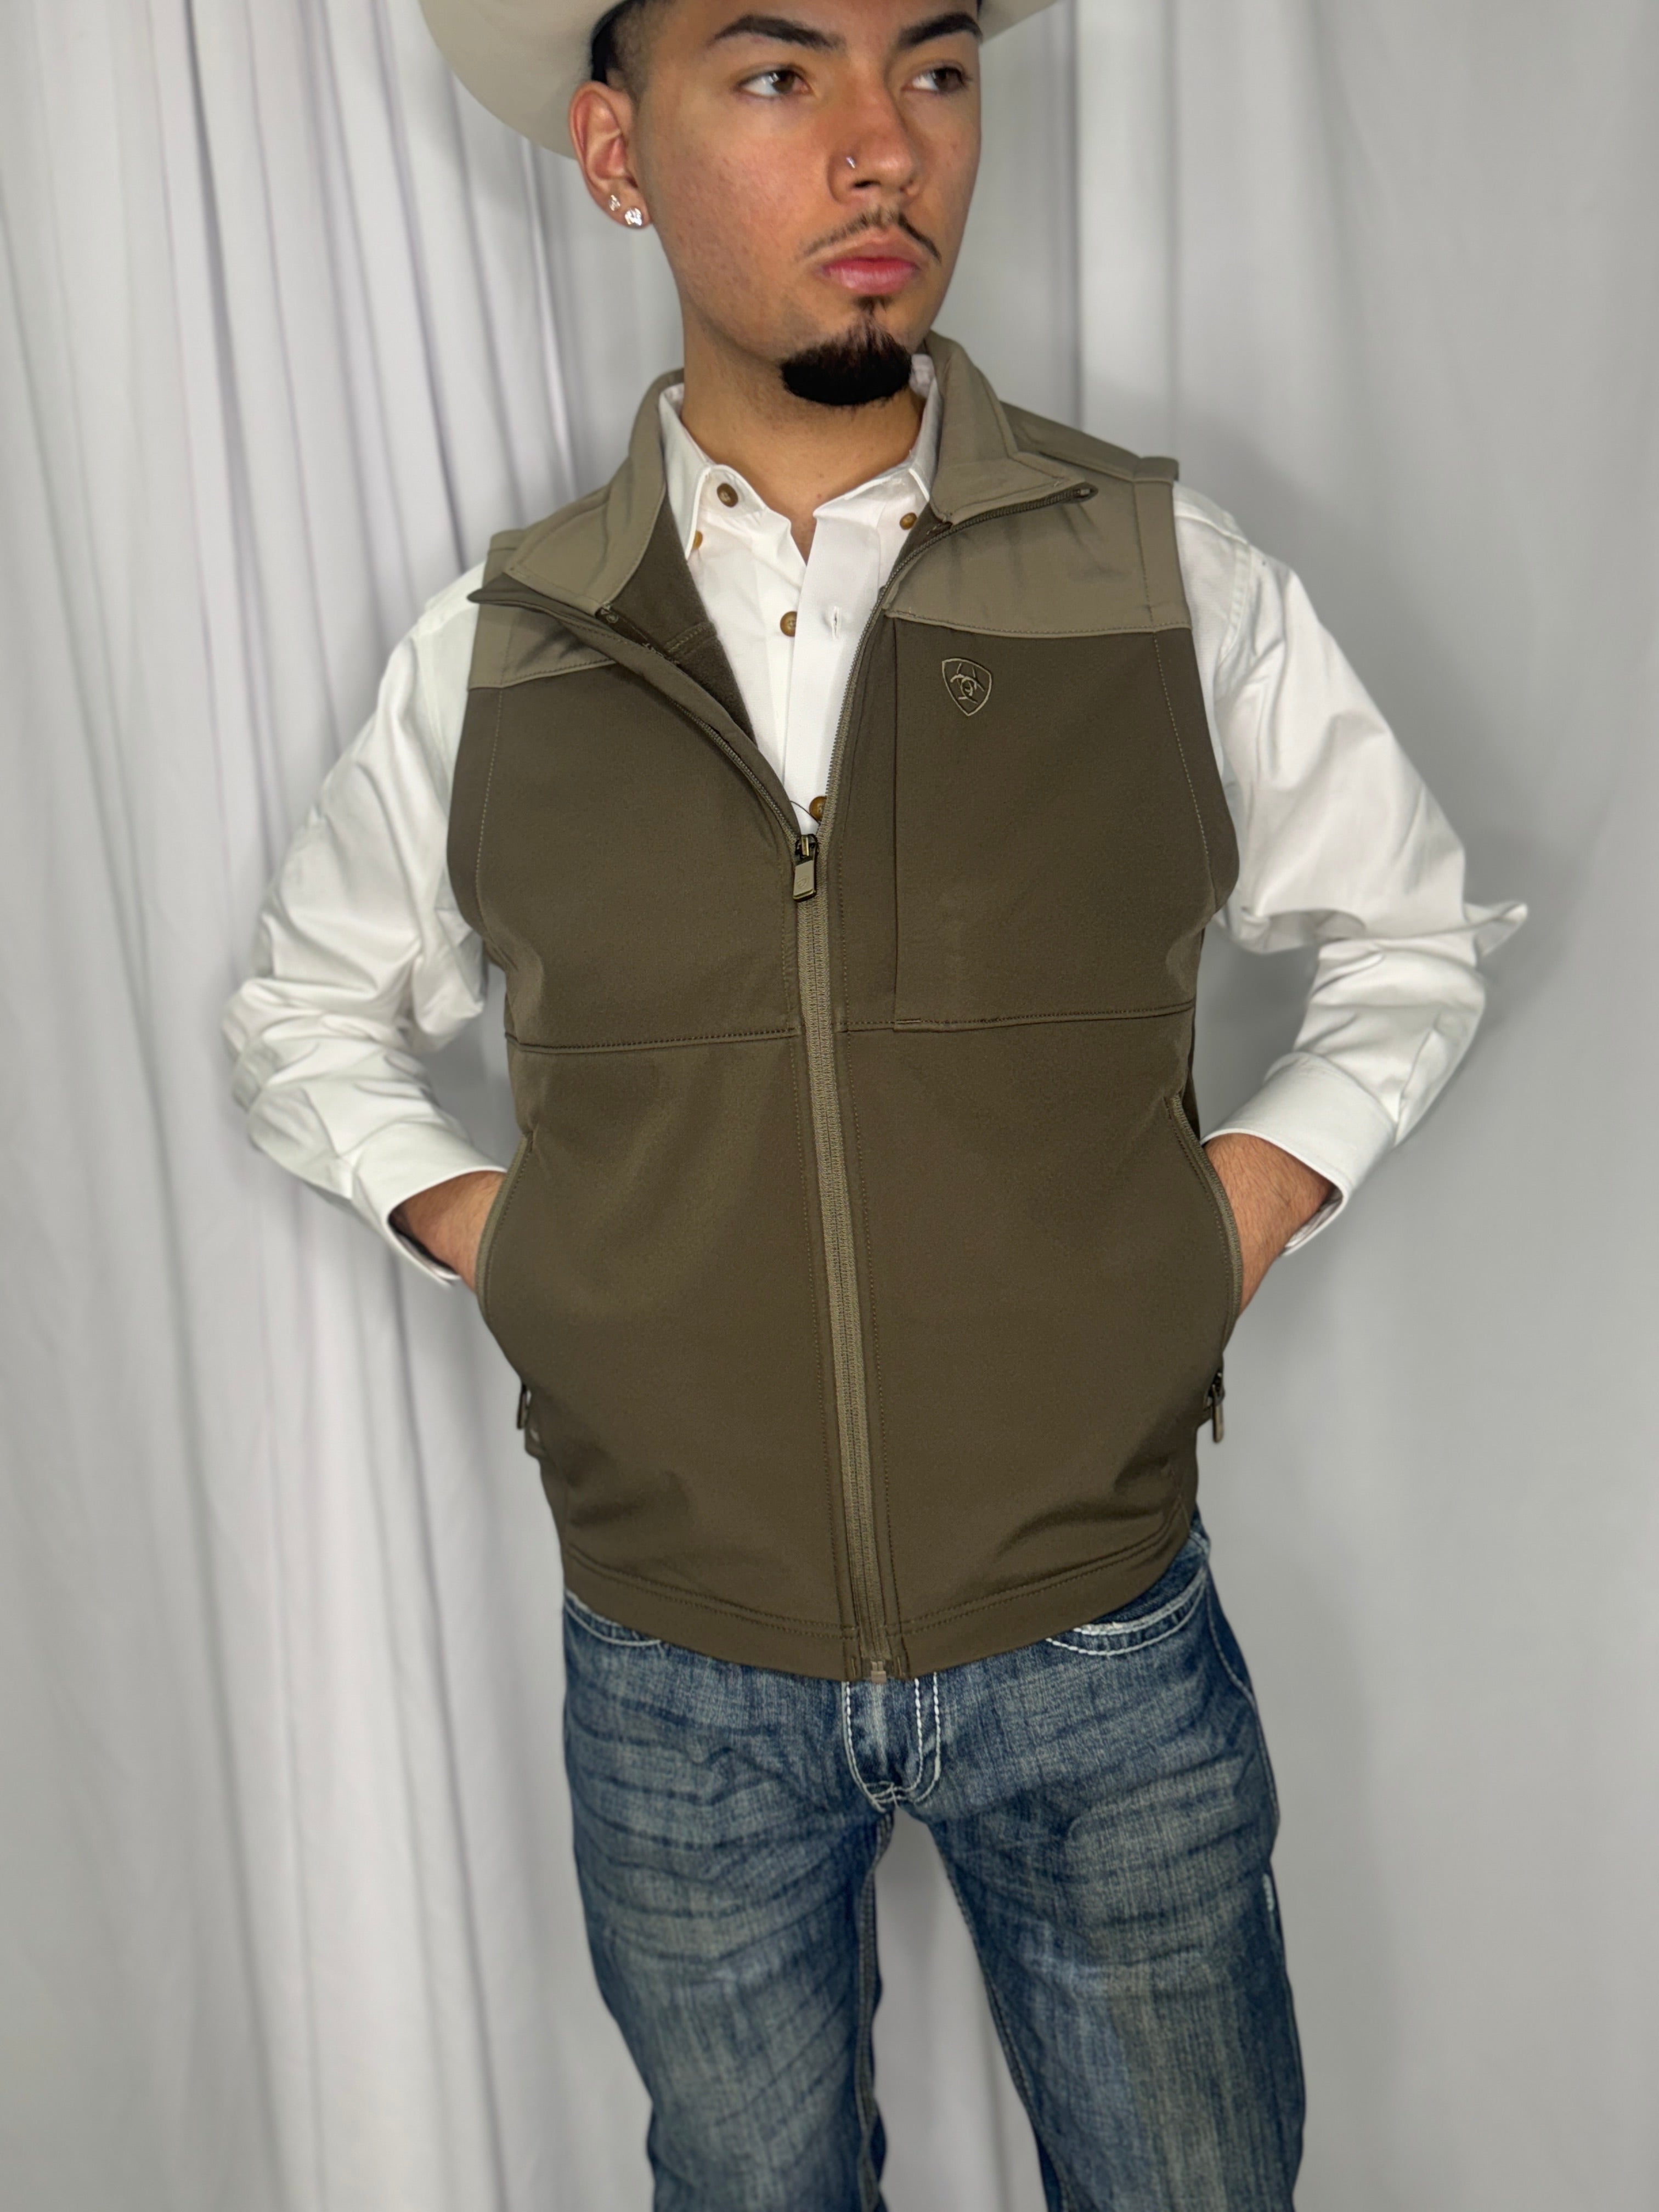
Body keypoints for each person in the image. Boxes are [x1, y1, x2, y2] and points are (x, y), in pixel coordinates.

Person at [223, 0, 1523, 2203]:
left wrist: (1227, 1211)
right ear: (615, 151)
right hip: (675, 1676)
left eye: (933, 69)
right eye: (777, 74)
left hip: (1103, 1642)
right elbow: (303, 1014)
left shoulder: (1156, 575)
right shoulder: (508, 644)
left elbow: (1412, 934)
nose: (883, 148)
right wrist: (509, 1242)